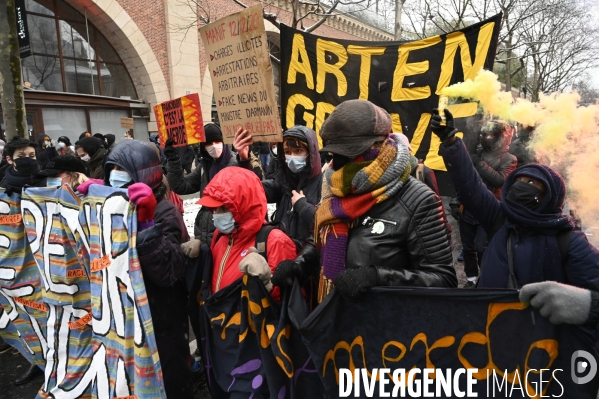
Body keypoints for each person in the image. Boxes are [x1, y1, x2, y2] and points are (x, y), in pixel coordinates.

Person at [275, 100, 457, 300]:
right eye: (334, 154)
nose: (338, 164)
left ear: (377, 147)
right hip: (333, 317)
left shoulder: (418, 200)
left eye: (347, 153)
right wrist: (300, 265)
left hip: (383, 322)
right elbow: (320, 238)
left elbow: (443, 279)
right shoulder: (336, 186)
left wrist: (376, 277)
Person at [432, 108, 599, 291]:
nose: (521, 186)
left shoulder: (569, 242)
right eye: (518, 180)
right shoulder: (499, 217)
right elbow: (470, 184)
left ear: (550, 197)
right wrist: (451, 143)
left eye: (531, 182)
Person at [100, 140, 194, 398]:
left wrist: (146, 226)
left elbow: (168, 273)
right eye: (112, 169)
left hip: (161, 315)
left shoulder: (164, 211)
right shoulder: (113, 208)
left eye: (124, 169)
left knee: (170, 375)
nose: (116, 176)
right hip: (126, 313)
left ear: (144, 173)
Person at [198, 167, 297, 296]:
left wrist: (268, 285)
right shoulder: (220, 236)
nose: (216, 215)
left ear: (244, 206)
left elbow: (290, 299)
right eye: (214, 209)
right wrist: (199, 257)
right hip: (219, 315)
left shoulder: (275, 241)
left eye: (223, 208)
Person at [234, 126, 322, 243]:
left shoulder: (324, 184)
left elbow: (327, 226)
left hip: (307, 258)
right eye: (287, 152)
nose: (292, 157)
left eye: (298, 151)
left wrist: (303, 206)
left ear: (311, 153)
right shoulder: (283, 183)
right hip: (281, 253)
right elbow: (252, 189)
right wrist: (244, 159)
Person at [456, 120, 518, 287]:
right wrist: (457, 201)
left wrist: (477, 162)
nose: (485, 138)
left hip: (490, 210)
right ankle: (471, 279)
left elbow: (499, 179)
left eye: (489, 135)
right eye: (483, 134)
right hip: (468, 208)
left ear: (501, 137)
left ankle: (486, 278)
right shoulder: (477, 153)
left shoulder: (509, 158)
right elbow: (464, 178)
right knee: (468, 247)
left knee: (483, 247)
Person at [166, 123, 238, 245]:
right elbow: (181, 185)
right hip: (204, 228)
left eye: (217, 141)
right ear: (203, 147)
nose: (214, 146)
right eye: (209, 143)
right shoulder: (205, 165)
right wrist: (174, 159)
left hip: (226, 226)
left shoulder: (234, 163)